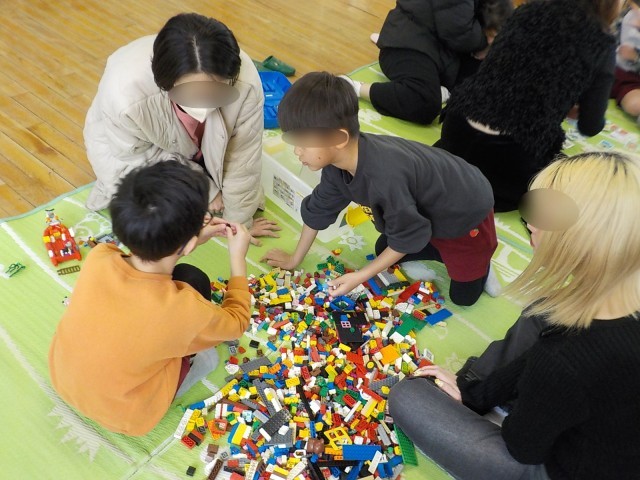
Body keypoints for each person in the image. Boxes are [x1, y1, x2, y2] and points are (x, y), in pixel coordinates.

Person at [388, 152, 640, 480]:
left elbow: (523, 447)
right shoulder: (615, 295)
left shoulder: (564, 358)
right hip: (602, 409)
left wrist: (534, 398)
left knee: (409, 395)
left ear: (579, 238)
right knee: (545, 311)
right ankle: (478, 390)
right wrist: (476, 393)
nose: (530, 223)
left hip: (572, 467)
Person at [261, 72, 500, 307]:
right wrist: (294, 259)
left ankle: (481, 261)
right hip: (427, 206)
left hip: (465, 213)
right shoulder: (337, 163)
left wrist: (360, 276)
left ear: (339, 139)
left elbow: (405, 235)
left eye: (304, 143)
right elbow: (318, 210)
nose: (297, 151)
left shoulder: (385, 177)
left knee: (463, 298)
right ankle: (431, 240)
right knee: (384, 249)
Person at [49, 161, 252, 436]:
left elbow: (148, 265)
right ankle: (194, 365)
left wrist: (190, 239)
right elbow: (237, 322)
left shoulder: (100, 256)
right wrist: (238, 260)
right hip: (129, 416)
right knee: (194, 281)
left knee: (186, 277)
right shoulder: (184, 310)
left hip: (63, 379)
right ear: (189, 244)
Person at [84, 13, 279, 241]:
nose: (204, 102)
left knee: (233, 192)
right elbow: (141, 159)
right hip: (134, 153)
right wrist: (206, 189)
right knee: (158, 218)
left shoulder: (246, 84)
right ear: (166, 83)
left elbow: (243, 160)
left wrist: (237, 226)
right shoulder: (126, 96)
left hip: (190, 146)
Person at [434, 0, 620, 212]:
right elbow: (591, 125)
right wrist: (563, 104)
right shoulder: (602, 43)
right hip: (509, 161)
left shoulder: (528, 10)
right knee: (572, 180)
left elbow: (495, 70)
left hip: (457, 130)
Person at [341, 0, 513, 125]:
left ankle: (439, 87)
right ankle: (354, 87)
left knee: (489, 84)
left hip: (443, 47)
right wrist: (485, 42)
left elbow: (498, 9)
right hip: (408, 43)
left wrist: (494, 39)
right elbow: (458, 31)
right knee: (426, 102)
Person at [611, 0, 640, 121]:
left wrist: (635, 58)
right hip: (607, 69)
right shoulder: (622, 12)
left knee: (634, 104)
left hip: (631, 81)